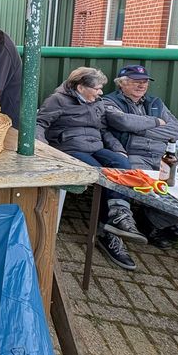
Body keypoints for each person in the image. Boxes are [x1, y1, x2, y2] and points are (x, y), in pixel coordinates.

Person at [36, 67, 147, 272]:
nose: (101, 92)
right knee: (100, 174)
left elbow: (103, 130)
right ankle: (108, 231)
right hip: (70, 148)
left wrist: (118, 149)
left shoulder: (97, 103)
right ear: (80, 87)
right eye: (97, 88)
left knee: (124, 167)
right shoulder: (57, 100)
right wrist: (44, 149)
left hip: (96, 147)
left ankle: (119, 215)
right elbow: (40, 123)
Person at [104, 64, 178, 250]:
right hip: (133, 154)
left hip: (162, 155)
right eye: (135, 81)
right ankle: (152, 225)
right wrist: (157, 123)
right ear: (121, 83)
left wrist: (139, 129)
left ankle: (152, 221)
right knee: (144, 186)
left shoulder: (155, 102)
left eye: (145, 82)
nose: (141, 85)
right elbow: (123, 122)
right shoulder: (110, 101)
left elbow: (177, 130)